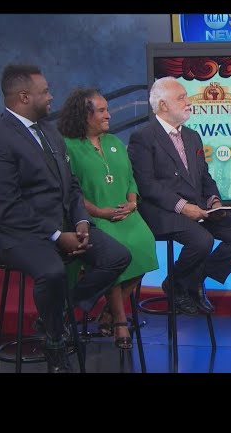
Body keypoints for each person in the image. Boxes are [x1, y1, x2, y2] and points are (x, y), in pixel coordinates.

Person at [0, 64, 132, 372]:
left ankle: (56, 314)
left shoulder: (49, 131)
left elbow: (70, 185)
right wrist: (57, 236)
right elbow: (6, 206)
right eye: (45, 91)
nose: (51, 96)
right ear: (24, 97)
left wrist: (82, 221)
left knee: (117, 257)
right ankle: (55, 340)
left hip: (65, 223)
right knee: (53, 272)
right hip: (17, 232)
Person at [127, 76, 231, 315]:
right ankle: (180, 286)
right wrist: (182, 206)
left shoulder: (192, 136)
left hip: (198, 208)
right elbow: (146, 185)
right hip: (163, 211)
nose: (188, 102)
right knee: (202, 240)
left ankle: (188, 280)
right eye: (181, 98)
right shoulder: (143, 137)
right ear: (163, 105)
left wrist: (213, 200)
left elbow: (204, 176)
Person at [57, 88, 159, 349]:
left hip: (127, 214)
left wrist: (132, 202)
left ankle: (108, 313)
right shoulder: (67, 147)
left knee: (146, 246)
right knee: (115, 255)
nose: (108, 115)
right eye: (101, 111)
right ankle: (120, 322)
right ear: (84, 115)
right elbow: (70, 192)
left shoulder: (114, 141)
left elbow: (130, 178)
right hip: (93, 219)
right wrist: (100, 212)